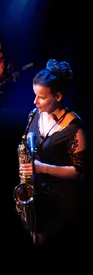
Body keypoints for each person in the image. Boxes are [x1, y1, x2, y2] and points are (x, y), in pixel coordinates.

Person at [18, 59, 90, 244]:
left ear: (58, 96)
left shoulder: (74, 128)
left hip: (62, 202)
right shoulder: (34, 115)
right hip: (39, 198)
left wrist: (42, 168)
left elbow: (79, 173)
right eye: (35, 95)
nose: (35, 102)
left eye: (41, 97)